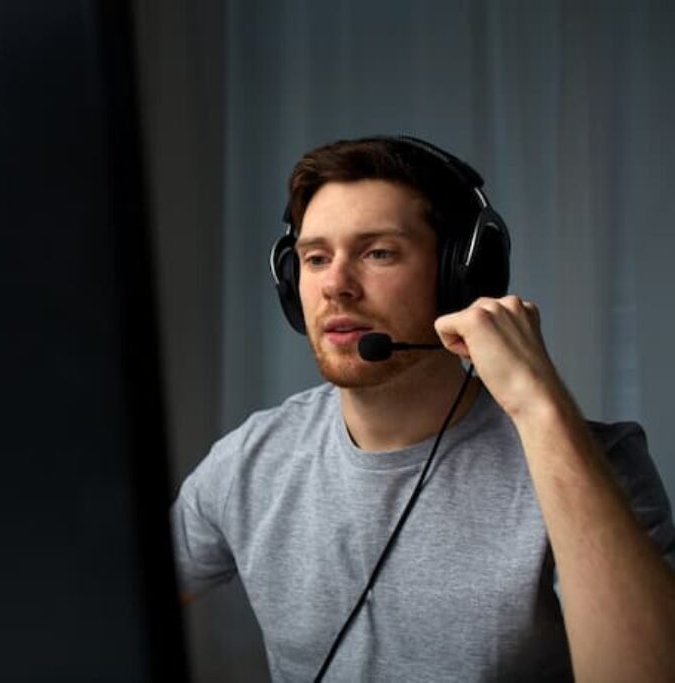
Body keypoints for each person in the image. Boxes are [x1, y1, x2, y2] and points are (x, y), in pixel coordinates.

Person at [170, 136, 675, 682]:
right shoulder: (251, 461)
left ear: (462, 274)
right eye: (316, 258)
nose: (336, 286)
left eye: (378, 253)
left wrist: (539, 405)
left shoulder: (595, 462)